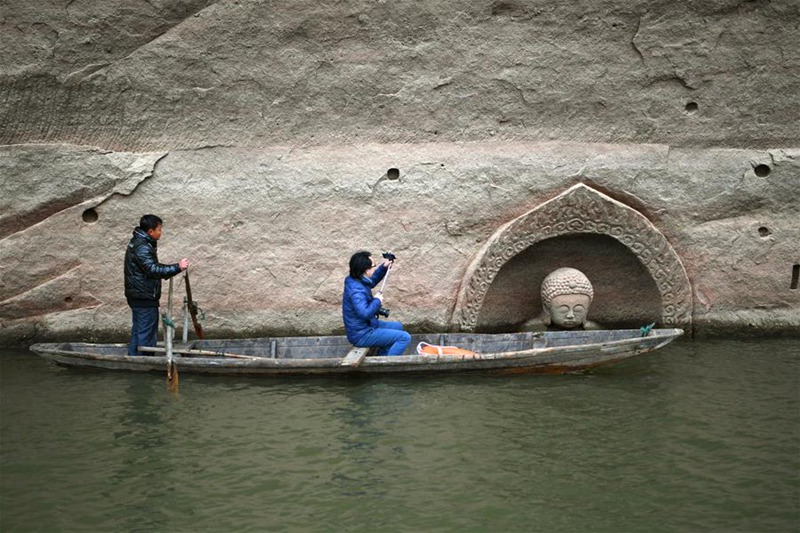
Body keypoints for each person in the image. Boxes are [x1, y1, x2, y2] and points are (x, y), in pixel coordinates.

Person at [124, 214, 189, 355]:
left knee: (139, 329)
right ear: (150, 232)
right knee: (146, 331)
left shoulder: (139, 243)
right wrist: (177, 267)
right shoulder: (142, 247)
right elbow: (153, 269)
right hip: (144, 296)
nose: (161, 232)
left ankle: (134, 359)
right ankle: (144, 362)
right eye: (159, 229)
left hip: (139, 295)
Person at [342, 251, 411, 356]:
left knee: (397, 326)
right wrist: (377, 300)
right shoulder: (356, 291)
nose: (375, 268)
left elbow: (371, 281)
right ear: (366, 270)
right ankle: (385, 366)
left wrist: (383, 267)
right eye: (373, 266)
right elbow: (365, 313)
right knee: (404, 337)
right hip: (362, 334)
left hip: (367, 325)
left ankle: (382, 355)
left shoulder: (356, 279)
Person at [521, 267, 601, 332]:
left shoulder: (594, 331)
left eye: (578, 310)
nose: (570, 315)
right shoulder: (533, 330)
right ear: (547, 308)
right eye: (563, 310)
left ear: (587, 309)